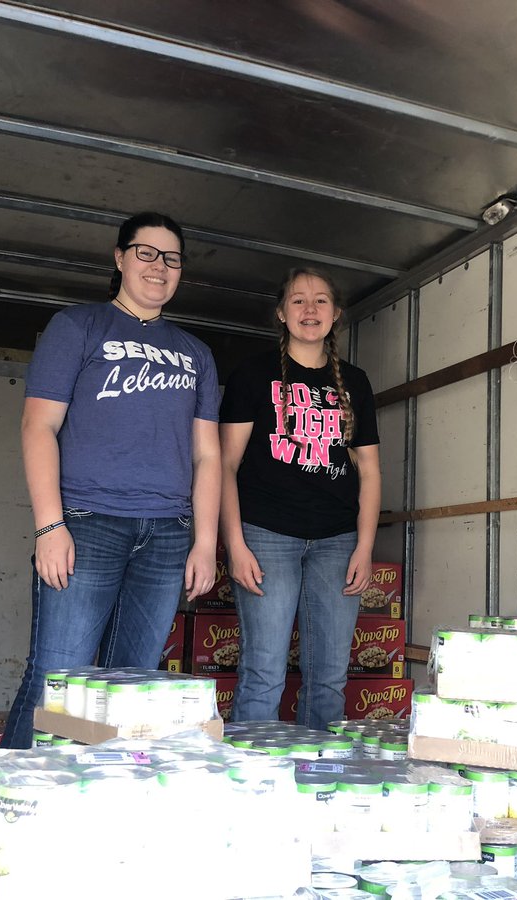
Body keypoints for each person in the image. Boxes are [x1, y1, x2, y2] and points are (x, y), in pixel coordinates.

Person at [1, 211, 221, 748]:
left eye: (171, 258)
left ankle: (100, 803)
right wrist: (49, 526)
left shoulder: (196, 353)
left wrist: (206, 542)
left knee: (133, 683)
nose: (158, 266)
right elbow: (39, 426)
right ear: (119, 258)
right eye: (146, 252)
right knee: (60, 677)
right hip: (86, 524)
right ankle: (7, 810)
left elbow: (208, 456)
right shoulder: (78, 326)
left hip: (167, 532)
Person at [220, 267, 381, 730]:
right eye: (298, 300)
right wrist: (236, 545)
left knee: (329, 676)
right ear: (280, 313)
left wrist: (364, 549)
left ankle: (318, 781)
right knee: (263, 671)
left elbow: (369, 470)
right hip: (267, 535)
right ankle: (252, 783)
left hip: (337, 540)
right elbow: (224, 465)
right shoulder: (253, 375)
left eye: (320, 301)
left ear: (336, 314)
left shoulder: (355, 382)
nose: (310, 310)